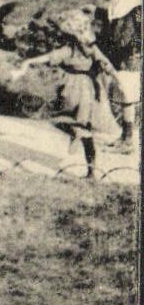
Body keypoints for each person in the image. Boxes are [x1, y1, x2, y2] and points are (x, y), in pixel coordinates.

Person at [13, 10, 119, 180]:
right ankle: (91, 169)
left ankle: (77, 135)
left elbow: (48, 57)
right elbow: (105, 63)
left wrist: (28, 61)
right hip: (89, 90)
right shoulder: (91, 49)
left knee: (62, 119)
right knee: (85, 129)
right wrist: (115, 78)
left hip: (74, 88)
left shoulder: (69, 49)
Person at [94, 0, 141, 153]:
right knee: (123, 96)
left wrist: (105, 46)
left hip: (129, 56)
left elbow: (124, 36)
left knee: (127, 96)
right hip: (122, 55)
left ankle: (128, 140)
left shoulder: (132, 3)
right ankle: (125, 136)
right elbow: (112, 19)